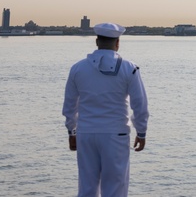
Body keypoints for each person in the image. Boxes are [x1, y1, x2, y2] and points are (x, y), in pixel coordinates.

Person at [62, 22, 150, 197]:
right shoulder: (129, 68)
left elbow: (70, 105)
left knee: (87, 187)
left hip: (86, 133)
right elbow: (139, 104)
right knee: (115, 187)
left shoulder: (77, 68)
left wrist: (72, 132)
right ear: (117, 43)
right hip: (115, 133)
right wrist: (141, 132)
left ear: (96, 41)